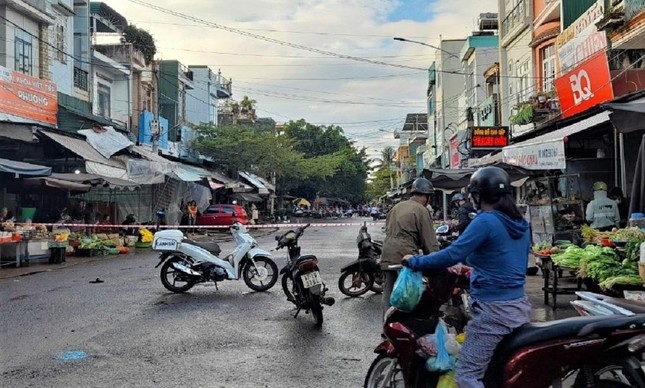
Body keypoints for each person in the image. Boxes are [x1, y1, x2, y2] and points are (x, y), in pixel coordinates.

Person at [401, 166, 532, 388]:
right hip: (518, 307)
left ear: (478, 195)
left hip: (493, 313)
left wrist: (415, 262)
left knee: (466, 376)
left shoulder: (486, 221)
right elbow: (498, 257)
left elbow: (453, 254)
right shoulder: (521, 224)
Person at [380, 177, 439, 318]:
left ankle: (387, 328)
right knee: (409, 293)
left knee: (389, 292)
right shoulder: (421, 210)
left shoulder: (396, 207)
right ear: (426, 197)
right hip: (405, 256)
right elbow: (429, 241)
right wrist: (437, 260)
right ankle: (406, 329)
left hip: (387, 254)